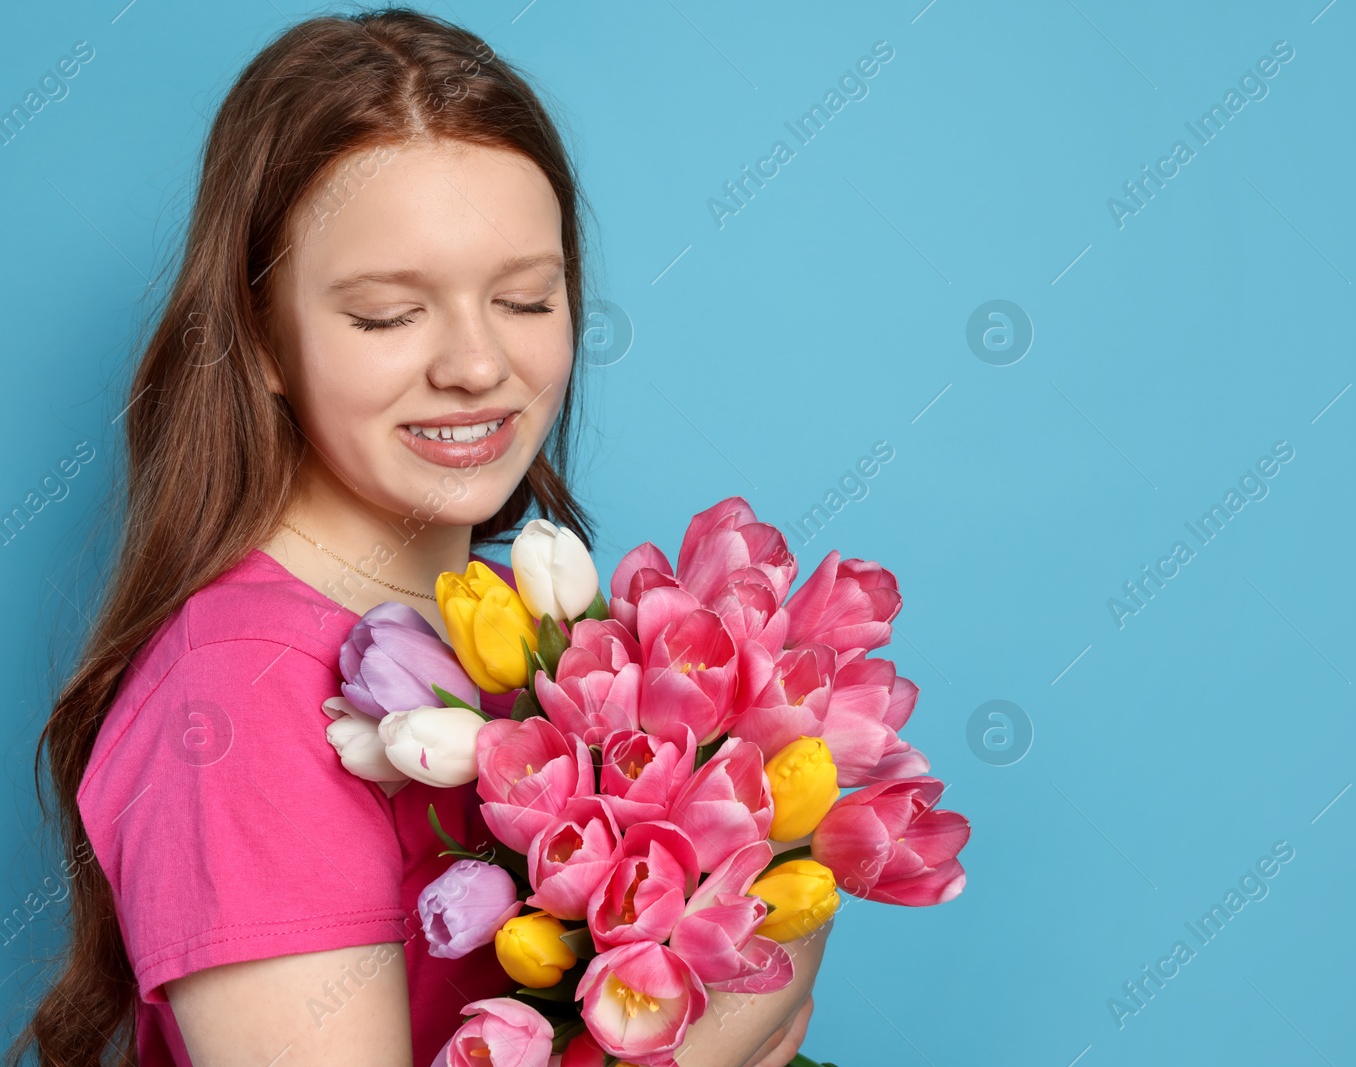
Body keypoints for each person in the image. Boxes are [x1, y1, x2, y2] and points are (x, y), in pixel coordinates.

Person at [8, 10, 824, 1067]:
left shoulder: (530, 635)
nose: (478, 365)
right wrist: (744, 997)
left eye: (526, 297)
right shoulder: (240, 702)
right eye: (390, 314)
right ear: (260, 339)